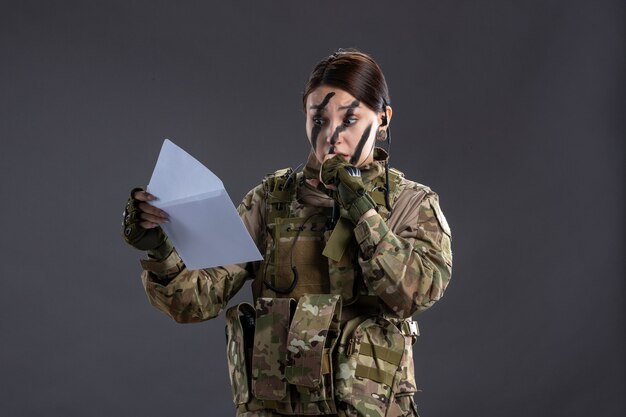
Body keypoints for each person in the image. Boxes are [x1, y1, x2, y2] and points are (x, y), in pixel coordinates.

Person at [122, 49, 452, 417]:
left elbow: (417, 292)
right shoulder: (271, 201)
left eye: (351, 118)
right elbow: (197, 300)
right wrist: (160, 251)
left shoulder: (411, 203)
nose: (332, 135)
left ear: (384, 119)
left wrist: (363, 212)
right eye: (319, 118)